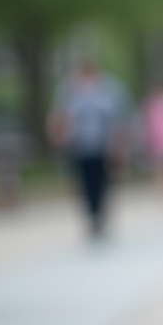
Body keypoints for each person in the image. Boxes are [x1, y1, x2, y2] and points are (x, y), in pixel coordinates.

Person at [48, 59, 128, 240]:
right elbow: (59, 115)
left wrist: (119, 145)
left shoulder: (110, 88)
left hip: (103, 147)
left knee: (102, 182)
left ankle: (100, 214)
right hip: (78, 147)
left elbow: (119, 118)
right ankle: (91, 216)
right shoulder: (68, 89)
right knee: (83, 183)